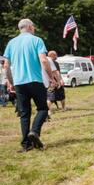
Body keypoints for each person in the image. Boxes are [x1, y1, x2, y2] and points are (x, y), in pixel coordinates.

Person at [3, 19, 56, 152]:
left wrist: (11, 82)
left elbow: (6, 65)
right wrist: (51, 77)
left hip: (19, 83)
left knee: (24, 114)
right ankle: (34, 132)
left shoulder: (11, 43)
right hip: (35, 81)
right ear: (29, 27)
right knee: (43, 109)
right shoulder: (36, 40)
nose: (34, 28)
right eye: (33, 26)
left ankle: (26, 145)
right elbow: (44, 60)